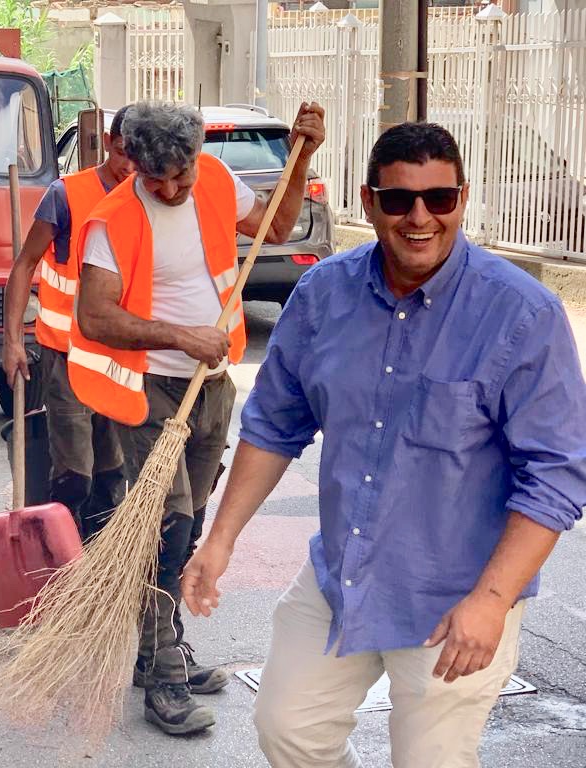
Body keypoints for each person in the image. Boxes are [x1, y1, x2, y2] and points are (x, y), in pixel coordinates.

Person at [182, 122, 586, 765]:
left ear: (462, 198)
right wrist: (221, 539)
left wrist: (491, 601)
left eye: (439, 198)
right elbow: (275, 424)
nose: (419, 218)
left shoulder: (521, 314)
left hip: (458, 593)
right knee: (289, 729)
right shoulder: (323, 294)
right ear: (369, 204)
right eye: (398, 200)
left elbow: (556, 476)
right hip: (342, 573)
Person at [70, 100, 325, 735]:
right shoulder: (112, 221)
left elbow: (279, 228)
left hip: (210, 384)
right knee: (168, 525)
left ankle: (162, 647)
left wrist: (302, 160)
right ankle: (163, 677)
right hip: (151, 387)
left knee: (193, 519)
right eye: (156, 179)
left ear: (196, 156)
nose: (172, 189)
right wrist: (180, 337)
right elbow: (94, 317)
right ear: (134, 164)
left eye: (181, 174)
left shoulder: (213, 178)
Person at [2, 105, 136, 541]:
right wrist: (12, 342)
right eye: (123, 153)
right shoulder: (66, 195)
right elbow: (24, 265)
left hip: (121, 359)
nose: (130, 167)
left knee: (113, 472)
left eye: (139, 157)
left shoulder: (149, 197)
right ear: (109, 144)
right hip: (67, 356)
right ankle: (61, 553)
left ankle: (101, 559)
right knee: (75, 474)